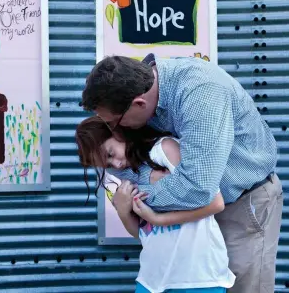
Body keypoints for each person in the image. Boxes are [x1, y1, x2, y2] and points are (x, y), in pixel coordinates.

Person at [81, 55, 283, 292]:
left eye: (114, 124)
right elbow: (136, 171)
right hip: (199, 211)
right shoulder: (141, 93)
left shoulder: (201, 93)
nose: (116, 130)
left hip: (243, 202)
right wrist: (142, 188)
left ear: (138, 103)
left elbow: (198, 188)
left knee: (242, 287)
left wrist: (136, 197)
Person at [75, 116, 235, 293]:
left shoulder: (164, 149)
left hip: (198, 277)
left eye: (110, 154)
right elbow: (142, 232)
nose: (116, 164)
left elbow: (216, 203)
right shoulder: (124, 176)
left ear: (117, 132)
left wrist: (159, 219)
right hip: (152, 280)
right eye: (107, 164)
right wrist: (123, 211)